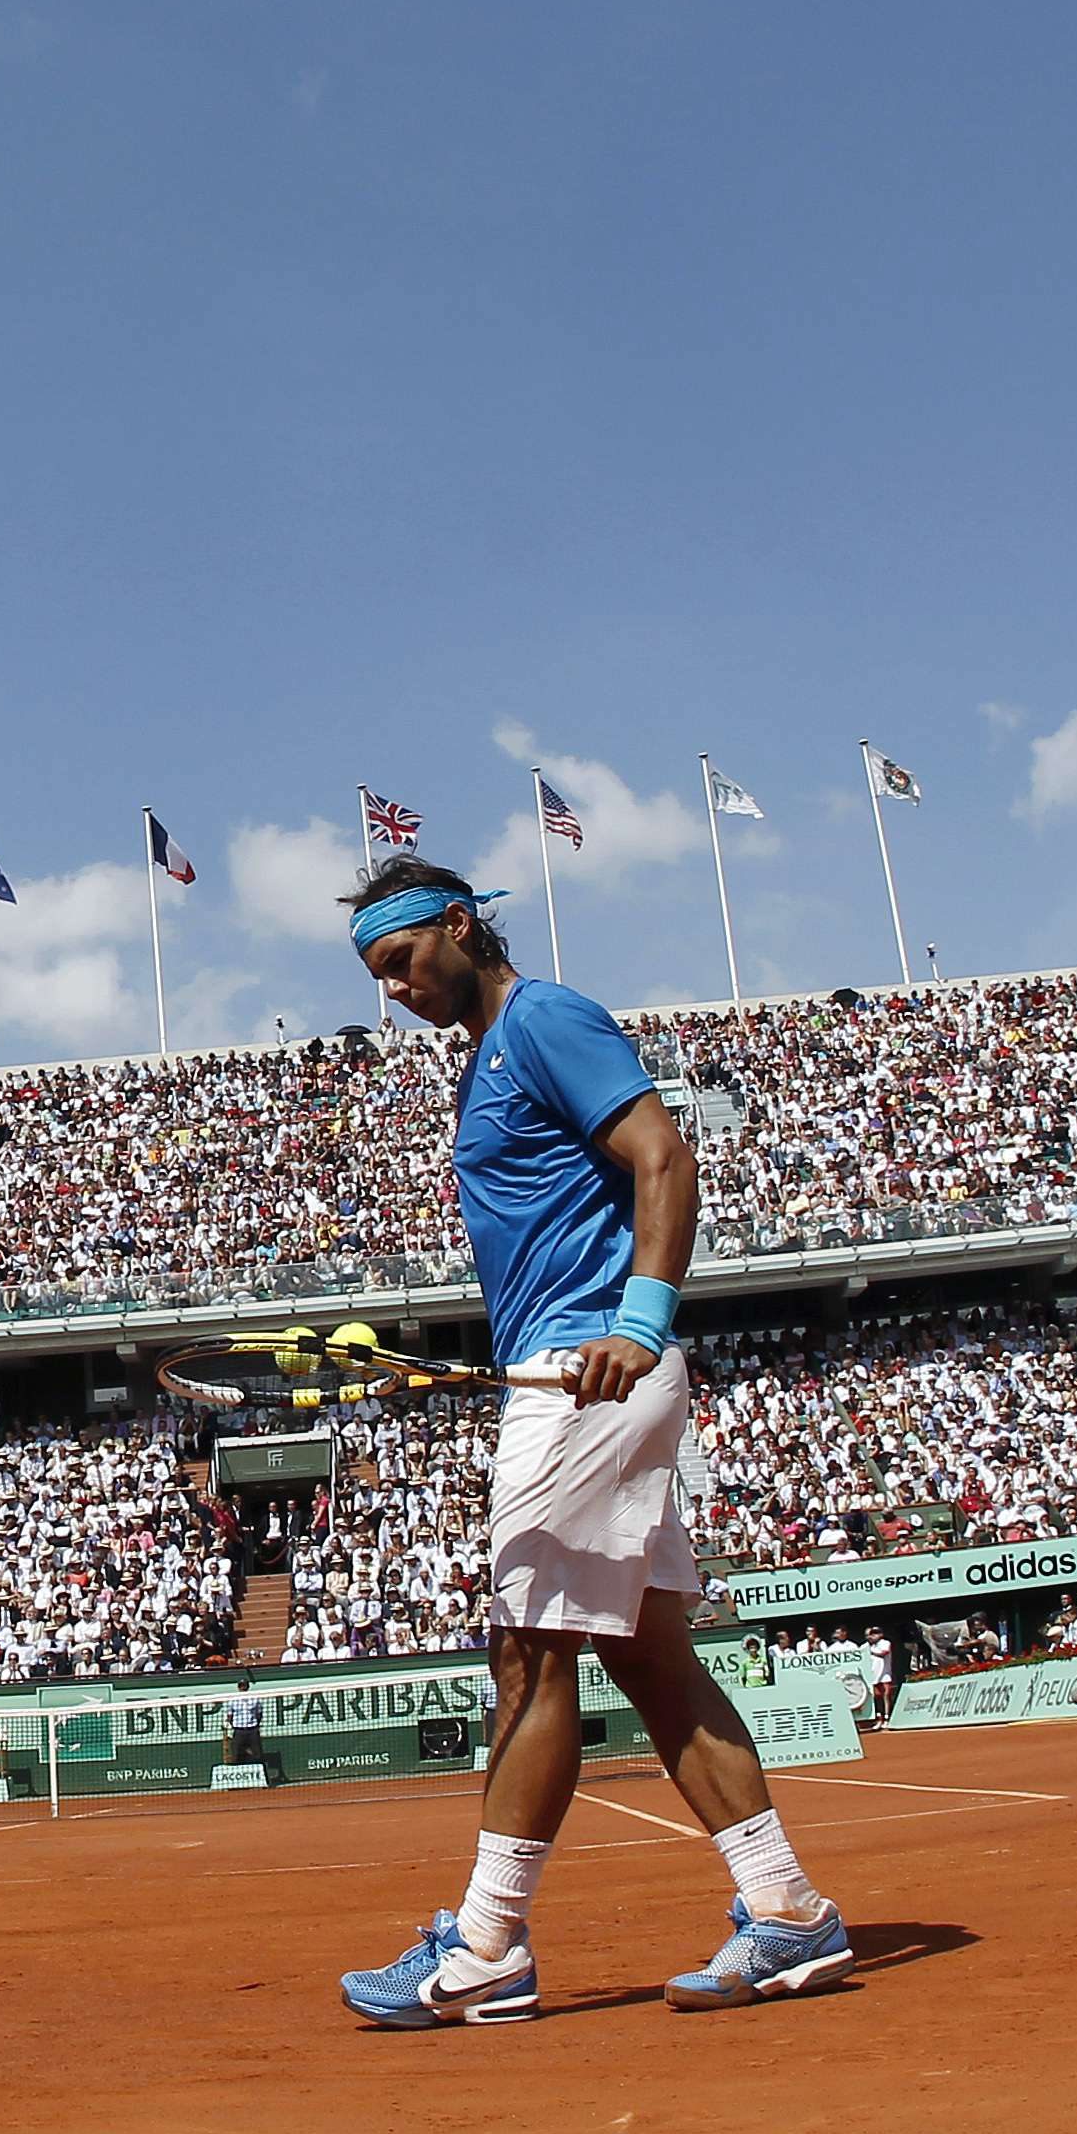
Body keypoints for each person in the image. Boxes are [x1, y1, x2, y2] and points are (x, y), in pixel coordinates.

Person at [329, 858, 849, 2028]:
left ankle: (485, 1946)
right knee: (649, 1657)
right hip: (564, 1366)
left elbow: (664, 1155)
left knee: (527, 1654)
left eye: (404, 961)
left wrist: (640, 1320)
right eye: (378, 977)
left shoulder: (545, 1018)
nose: (397, 991)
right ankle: (790, 1912)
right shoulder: (483, 1063)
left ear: (459, 926)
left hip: (590, 1369)